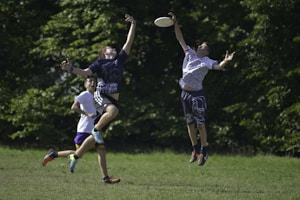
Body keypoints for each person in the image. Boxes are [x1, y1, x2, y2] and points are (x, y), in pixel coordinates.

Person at [59, 14, 136, 173]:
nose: (113, 49)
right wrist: (71, 69)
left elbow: (129, 42)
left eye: (114, 49)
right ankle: (95, 130)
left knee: (96, 137)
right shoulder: (100, 63)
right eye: (109, 49)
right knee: (112, 113)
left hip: (113, 100)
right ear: (103, 54)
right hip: (101, 96)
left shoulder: (119, 60)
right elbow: (86, 72)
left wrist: (133, 24)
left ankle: (76, 156)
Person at [168, 12, 235, 166]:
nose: (199, 47)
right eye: (200, 45)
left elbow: (218, 67)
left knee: (200, 124)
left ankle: (204, 151)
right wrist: (175, 23)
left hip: (197, 95)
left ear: (207, 52)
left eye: (203, 47)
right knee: (189, 123)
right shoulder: (190, 53)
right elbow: (180, 38)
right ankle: (194, 149)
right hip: (184, 94)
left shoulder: (207, 61)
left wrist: (226, 61)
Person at [42, 76, 120, 184]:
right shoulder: (85, 95)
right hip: (84, 129)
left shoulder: (98, 96)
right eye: (90, 81)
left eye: (94, 81)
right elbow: (74, 107)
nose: (92, 83)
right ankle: (54, 154)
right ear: (85, 84)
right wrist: (87, 114)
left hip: (95, 128)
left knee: (101, 151)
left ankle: (105, 178)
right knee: (78, 153)